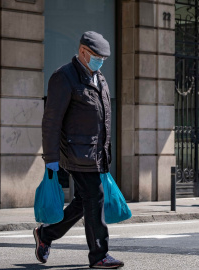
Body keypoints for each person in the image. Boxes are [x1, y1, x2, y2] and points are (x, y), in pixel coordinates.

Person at [34, 31, 124, 269]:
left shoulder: (100, 78)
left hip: (96, 154)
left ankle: (46, 235)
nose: (101, 61)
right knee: (95, 197)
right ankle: (99, 255)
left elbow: (102, 119)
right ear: (83, 51)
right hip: (75, 153)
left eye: (104, 58)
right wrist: (51, 158)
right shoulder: (64, 77)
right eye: (97, 56)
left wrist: (105, 152)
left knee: (83, 202)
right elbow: (51, 121)